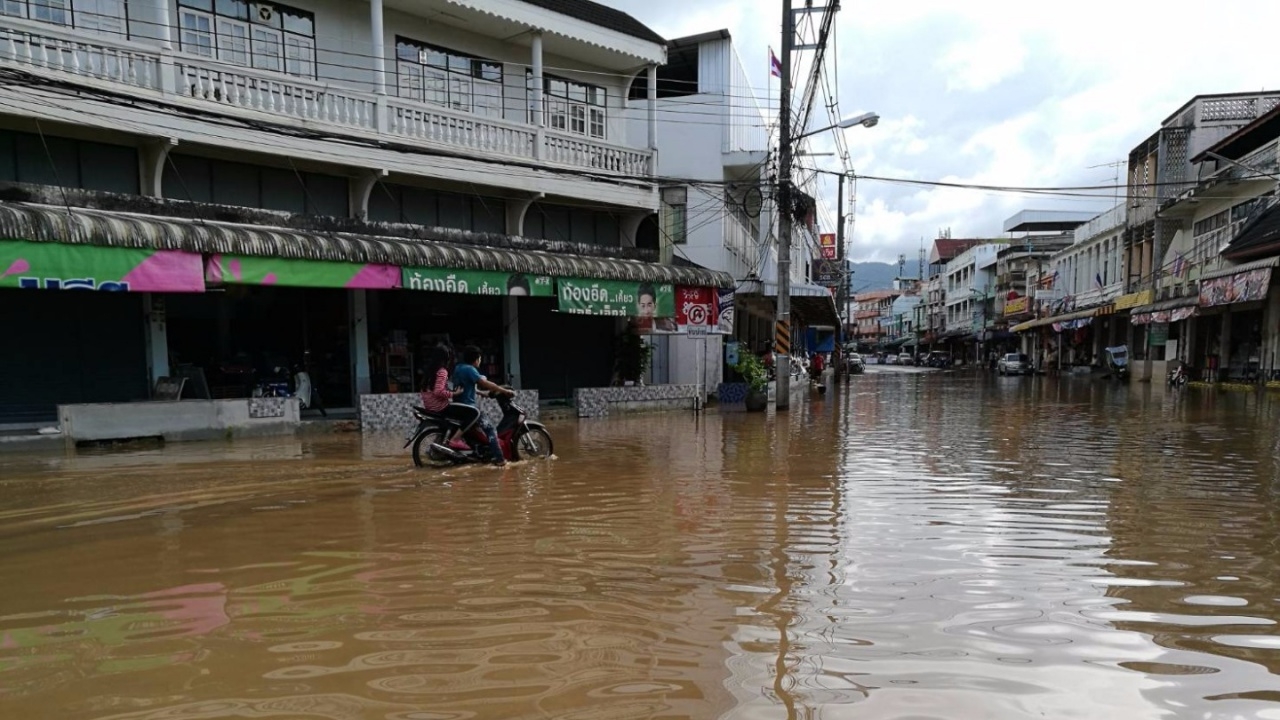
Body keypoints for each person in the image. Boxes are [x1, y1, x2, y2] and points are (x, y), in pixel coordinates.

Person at [453, 345, 513, 466]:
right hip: (469, 408)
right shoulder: (470, 369)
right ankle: (500, 460)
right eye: (480, 358)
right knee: (490, 429)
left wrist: (481, 393)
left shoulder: (459, 368)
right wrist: (503, 390)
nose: (480, 361)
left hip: (459, 405)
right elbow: (484, 383)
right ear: (476, 359)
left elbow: (469, 386)